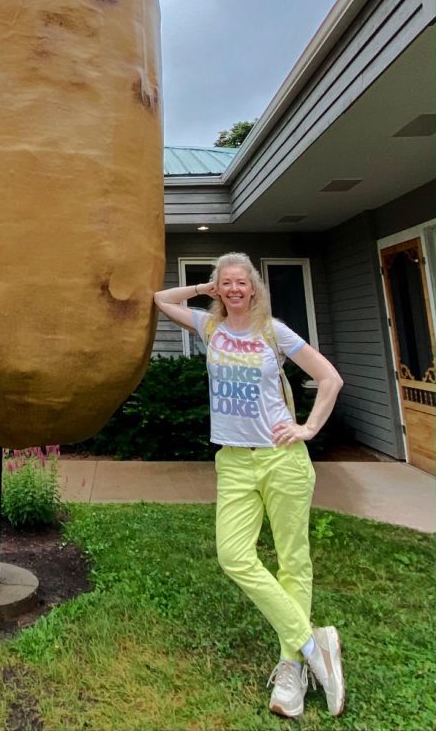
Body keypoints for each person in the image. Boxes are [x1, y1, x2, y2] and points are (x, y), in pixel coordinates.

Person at [154, 252, 345, 719]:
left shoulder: (272, 331)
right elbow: (161, 298)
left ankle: (290, 669)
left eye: (241, 282)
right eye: (226, 283)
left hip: (282, 460)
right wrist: (204, 288)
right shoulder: (209, 327)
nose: (234, 289)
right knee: (234, 554)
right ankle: (311, 643)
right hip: (234, 463)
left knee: (293, 561)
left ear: (254, 288)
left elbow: (329, 378)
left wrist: (308, 429)